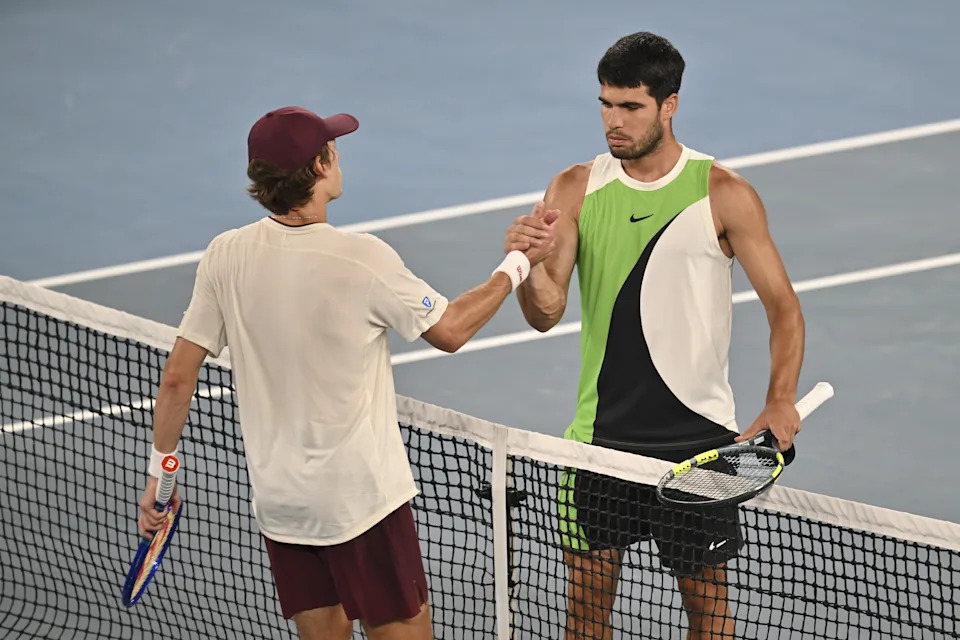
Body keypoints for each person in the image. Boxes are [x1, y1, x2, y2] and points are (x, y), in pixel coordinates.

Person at [136, 106, 559, 640]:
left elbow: (177, 378)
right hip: (363, 505)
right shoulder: (363, 259)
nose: (339, 155)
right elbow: (450, 330)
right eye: (332, 149)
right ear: (318, 167)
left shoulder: (226, 255)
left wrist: (161, 474)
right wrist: (516, 264)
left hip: (283, 505)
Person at [505, 33, 805, 639]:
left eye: (630, 107)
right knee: (585, 617)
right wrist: (529, 268)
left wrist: (780, 398)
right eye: (605, 104)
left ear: (669, 105)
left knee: (709, 618)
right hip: (598, 444)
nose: (613, 123)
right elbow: (545, 312)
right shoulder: (573, 189)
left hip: (698, 447)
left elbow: (784, 309)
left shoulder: (724, 194)